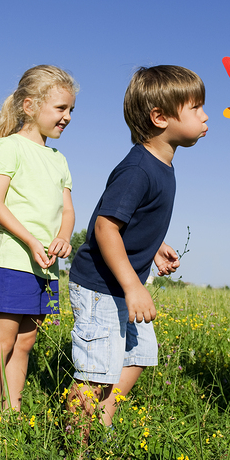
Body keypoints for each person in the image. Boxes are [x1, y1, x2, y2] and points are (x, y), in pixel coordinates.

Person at [67, 65, 207, 430]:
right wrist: (133, 286)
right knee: (96, 372)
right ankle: (72, 449)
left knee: (140, 354)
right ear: (160, 117)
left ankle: (102, 419)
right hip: (101, 286)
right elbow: (105, 226)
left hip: (121, 285)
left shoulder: (162, 166)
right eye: (196, 108)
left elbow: (128, 220)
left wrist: (156, 245)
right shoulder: (139, 169)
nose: (205, 115)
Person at [0, 65, 78, 415]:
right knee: (2, 340)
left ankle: (12, 411)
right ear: (30, 106)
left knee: (25, 342)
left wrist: (64, 237)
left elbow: (67, 211)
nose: (66, 117)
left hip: (47, 267)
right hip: (15, 260)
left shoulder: (59, 159)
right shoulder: (8, 147)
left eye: (71, 111)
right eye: (60, 109)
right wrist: (32, 241)